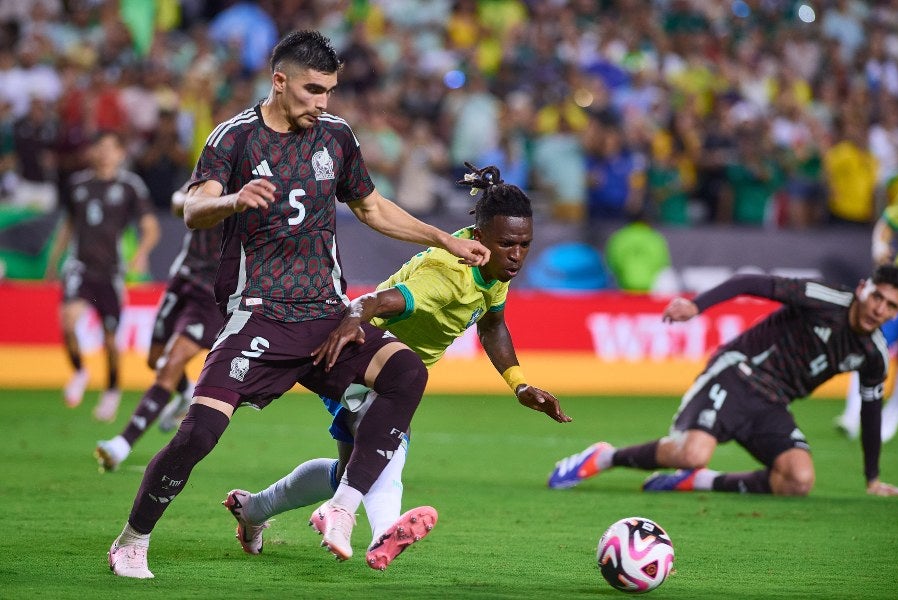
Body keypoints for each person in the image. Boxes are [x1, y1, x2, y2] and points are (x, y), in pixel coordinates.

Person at [105, 30, 489, 580]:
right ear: (279, 81)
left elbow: (372, 207)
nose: (323, 102)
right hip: (257, 312)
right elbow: (193, 209)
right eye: (313, 89)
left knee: (405, 372)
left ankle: (340, 506)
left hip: (325, 313)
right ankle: (132, 539)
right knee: (198, 434)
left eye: (329, 90)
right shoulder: (234, 139)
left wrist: (444, 240)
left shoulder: (336, 136)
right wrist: (236, 198)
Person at [221, 163, 571, 571]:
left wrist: (519, 384)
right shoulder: (448, 275)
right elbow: (378, 302)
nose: (517, 255)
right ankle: (382, 530)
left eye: (524, 244)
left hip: (392, 375)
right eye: (509, 244)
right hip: (360, 360)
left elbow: (492, 323)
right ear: (479, 237)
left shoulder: (493, 264)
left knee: (354, 470)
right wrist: (352, 319)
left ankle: (253, 509)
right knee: (388, 446)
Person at [547, 266, 898, 498]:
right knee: (691, 452)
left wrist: (872, 478)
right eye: (878, 298)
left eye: (892, 306)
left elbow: (871, 413)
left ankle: (697, 481)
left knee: (798, 480)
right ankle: (604, 457)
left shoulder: (874, 354)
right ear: (863, 290)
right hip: (736, 372)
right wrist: (697, 307)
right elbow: (750, 281)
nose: (880, 310)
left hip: (772, 404)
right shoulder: (825, 299)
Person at [94, 185, 224, 472]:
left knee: (169, 362)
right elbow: (179, 201)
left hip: (211, 293)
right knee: (154, 359)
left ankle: (121, 445)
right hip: (182, 278)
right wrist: (196, 201)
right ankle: (186, 390)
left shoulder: (255, 183)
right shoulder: (214, 171)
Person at [45, 130, 161, 422]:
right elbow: (68, 226)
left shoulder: (130, 186)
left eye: (112, 148)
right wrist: (54, 259)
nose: (105, 153)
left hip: (111, 273)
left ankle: (111, 390)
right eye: (100, 147)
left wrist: (141, 252)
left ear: (121, 153)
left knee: (110, 340)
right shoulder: (78, 184)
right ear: (93, 152)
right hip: (80, 267)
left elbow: (151, 227)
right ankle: (80, 372)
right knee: (68, 322)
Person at [835, 206, 898, 441]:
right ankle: (852, 415)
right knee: (868, 348)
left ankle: (889, 422)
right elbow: (887, 222)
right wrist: (880, 247)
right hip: (896, 296)